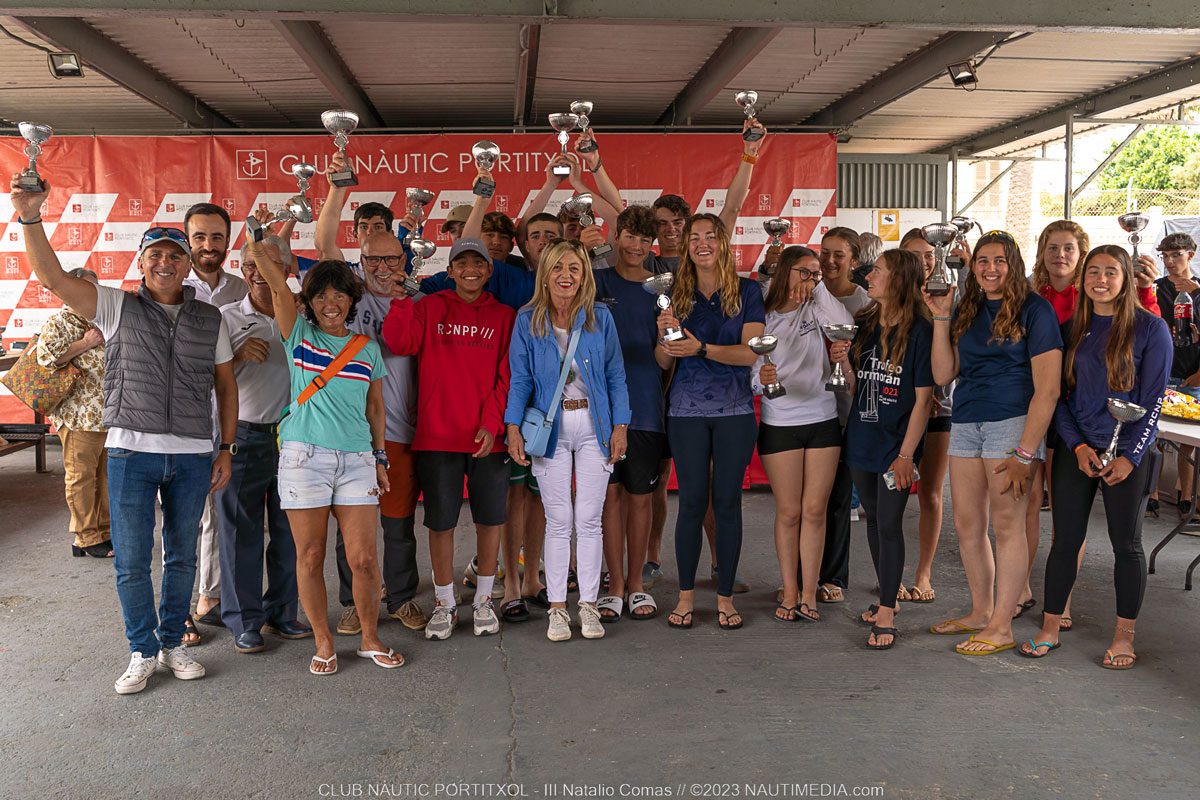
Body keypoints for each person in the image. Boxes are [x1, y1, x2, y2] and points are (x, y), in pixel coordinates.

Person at [14, 173, 237, 695]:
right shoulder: (115, 307)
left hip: (191, 455)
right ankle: (142, 650)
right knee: (134, 559)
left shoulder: (211, 319)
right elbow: (51, 277)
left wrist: (224, 448)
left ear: (188, 265)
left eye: (175, 256)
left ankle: (172, 641)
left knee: (181, 556)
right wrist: (29, 215)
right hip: (130, 453)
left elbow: (226, 389)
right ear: (141, 262)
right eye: (155, 255)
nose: (165, 263)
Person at [246, 239, 402, 675]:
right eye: (320, 295)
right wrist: (264, 242)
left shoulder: (366, 349)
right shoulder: (297, 334)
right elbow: (277, 287)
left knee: (364, 559)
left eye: (339, 294)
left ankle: (370, 638)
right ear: (308, 303)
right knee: (310, 556)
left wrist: (380, 458)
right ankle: (323, 641)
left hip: (357, 460)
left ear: (352, 300)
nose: (330, 303)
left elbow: (375, 409)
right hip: (304, 457)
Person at [1020, 246, 1170, 669]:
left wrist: (1131, 456)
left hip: (1128, 452)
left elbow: (1154, 401)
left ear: (1125, 278)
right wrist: (1078, 446)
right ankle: (1049, 627)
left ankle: (1124, 636)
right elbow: (1058, 397)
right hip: (1078, 450)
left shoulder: (1150, 329)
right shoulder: (1070, 329)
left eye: (1110, 272)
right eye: (1093, 272)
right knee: (1065, 541)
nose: (1100, 279)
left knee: (1126, 544)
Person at [926, 230, 1062, 656]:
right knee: (967, 525)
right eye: (982, 260)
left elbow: (1050, 389)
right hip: (966, 420)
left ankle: (1003, 626)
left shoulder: (1035, 310)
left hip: (1012, 423)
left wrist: (1026, 451)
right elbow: (944, 375)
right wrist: (941, 317)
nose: (989, 268)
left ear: (1014, 264)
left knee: (1007, 527)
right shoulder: (967, 307)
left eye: (999, 260)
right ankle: (981, 612)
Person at [311, 160, 430, 637]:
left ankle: (400, 598)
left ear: (405, 260)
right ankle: (351, 602)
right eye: (373, 260)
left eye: (392, 259)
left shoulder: (419, 301)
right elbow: (323, 243)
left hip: (399, 431)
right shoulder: (347, 297)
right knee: (350, 530)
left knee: (399, 524)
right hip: (346, 437)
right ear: (360, 262)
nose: (383, 268)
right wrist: (338, 186)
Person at [382, 238, 515, 641]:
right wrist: (402, 300)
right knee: (440, 523)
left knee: (489, 521)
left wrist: (492, 425)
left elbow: (507, 375)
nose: (470, 270)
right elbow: (398, 342)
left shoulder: (506, 316)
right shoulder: (429, 306)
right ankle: (444, 603)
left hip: (486, 438)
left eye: (479, 263)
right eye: (462, 264)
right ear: (450, 270)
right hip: (437, 435)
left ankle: (484, 600)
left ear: (489, 271)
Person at [506, 240, 631, 641]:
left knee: (590, 521)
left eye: (574, 268)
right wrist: (512, 427)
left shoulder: (600, 318)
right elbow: (521, 379)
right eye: (558, 267)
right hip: (549, 430)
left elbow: (615, 375)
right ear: (545, 273)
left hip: (594, 425)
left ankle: (589, 606)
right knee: (559, 522)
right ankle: (558, 610)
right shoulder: (527, 320)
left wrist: (620, 426)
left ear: (584, 275)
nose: (566, 275)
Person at [654, 214, 765, 630]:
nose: (702, 243)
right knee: (692, 504)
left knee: (727, 504)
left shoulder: (748, 290)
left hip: (735, 412)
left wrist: (701, 349)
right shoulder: (671, 294)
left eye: (709, 236)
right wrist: (665, 336)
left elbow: (751, 353)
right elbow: (663, 360)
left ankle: (724, 598)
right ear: (686, 245)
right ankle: (684, 598)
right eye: (694, 237)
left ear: (723, 242)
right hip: (685, 413)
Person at [215, 229, 311, 653]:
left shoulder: (304, 315)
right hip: (244, 437)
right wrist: (235, 358)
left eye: (269, 263)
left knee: (292, 533)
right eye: (252, 264)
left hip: (295, 437)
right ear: (241, 267)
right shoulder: (223, 317)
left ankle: (282, 613)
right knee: (241, 533)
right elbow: (201, 382)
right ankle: (244, 621)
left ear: (287, 270)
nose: (259, 273)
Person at [834, 249, 935, 648]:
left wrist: (907, 454)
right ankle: (885, 596)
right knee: (873, 518)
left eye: (876, 271)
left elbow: (925, 400)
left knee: (891, 523)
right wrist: (842, 363)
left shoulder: (921, 331)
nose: (868, 276)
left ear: (897, 280)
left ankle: (889, 609)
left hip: (898, 445)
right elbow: (859, 388)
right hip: (862, 436)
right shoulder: (865, 322)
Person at [754, 246, 851, 623]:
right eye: (803, 272)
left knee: (815, 511)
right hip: (781, 422)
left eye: (816, 273)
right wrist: (760, 380)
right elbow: (752, 368)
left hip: (823, 418)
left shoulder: (818, 307)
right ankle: (789, 590)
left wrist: (819, 289)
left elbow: (843, 324)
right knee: (791, 512)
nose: (810, 279)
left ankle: (810, 592)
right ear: (783, 273)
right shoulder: (764, 313)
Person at [593, 205, 667, 621]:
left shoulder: (660, 291)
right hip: (599, 413)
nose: (637, 246)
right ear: (616, 236)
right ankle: (614, 583)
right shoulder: (596, 281)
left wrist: (664, 336)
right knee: (610, 497)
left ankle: (637, 584)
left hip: (644, 410)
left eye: (645, 240)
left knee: (641, 498)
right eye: (631, 237)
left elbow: (665, 362)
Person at [183, 202, 247, 633]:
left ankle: (210, 596)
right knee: (182, 518)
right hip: (181, 423)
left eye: (217, 237)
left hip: (228, 422)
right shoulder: (167, 287)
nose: (209, 246)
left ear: (229, 239)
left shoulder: (242, 289)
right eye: (200, 237)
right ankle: (180, 610)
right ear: (187, 239)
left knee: (219, 514)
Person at [897, 227, 969, 604]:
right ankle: (890, 569)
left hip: (940, 408)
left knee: (930, 494)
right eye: (915, 254)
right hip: (897, 411)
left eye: (929, 254)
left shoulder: (951, 300)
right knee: (890, 497)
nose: (925, 261)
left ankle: (923, 573)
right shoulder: (892, 301)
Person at [814, 227, 872, 605]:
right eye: (825, 253)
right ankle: (802, 576)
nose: (830, 261)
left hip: (848, 413)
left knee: (838, 499)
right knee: (808, 502)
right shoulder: (804, 294)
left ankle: (833, 576)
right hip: (808, 412)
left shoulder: (867, 305)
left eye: (839, 254)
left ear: (854, 260)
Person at [35, 268, 110, 559]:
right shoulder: (60, 321)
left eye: (94, 289)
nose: (89, 295)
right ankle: (85, 537)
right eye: (83, 288)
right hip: (78, 415)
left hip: (107, 414)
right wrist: (86, 343)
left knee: (103, 477)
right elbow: (47, 358)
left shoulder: (101, 320)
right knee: (81, 477)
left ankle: (103, 531)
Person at [1153, 232, 1200, 516]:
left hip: (1191, 373)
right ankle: (1152, 493)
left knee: (1189, 442)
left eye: (1176, 255)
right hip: (1162, 372)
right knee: (1153, 438)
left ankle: (1187, 494)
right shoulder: (1156, 288)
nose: (1170, 262)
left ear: (1190, 255)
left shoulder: (1199, 290)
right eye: (1166, 256)